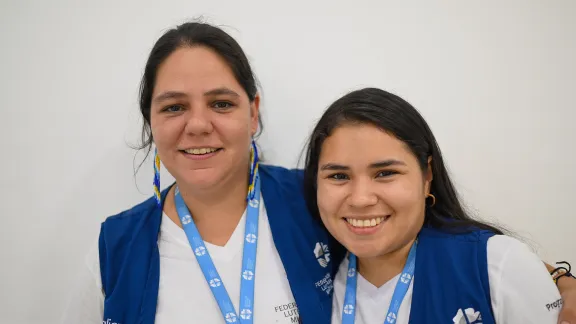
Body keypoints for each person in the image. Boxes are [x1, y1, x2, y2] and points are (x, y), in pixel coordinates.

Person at [61, 21, 576, 324]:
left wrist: (543, 280)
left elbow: (416, 236)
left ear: (254, 112)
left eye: (220, 102)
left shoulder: (311, 202)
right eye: (173, 107)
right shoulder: (114, 250)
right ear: (150, 119)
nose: (198, 125)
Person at [301, 87, 576, 324]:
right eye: (338, 176)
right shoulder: (311, 278)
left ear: (427, 176)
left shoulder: (495, 265)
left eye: (385, 173)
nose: (361, 199)